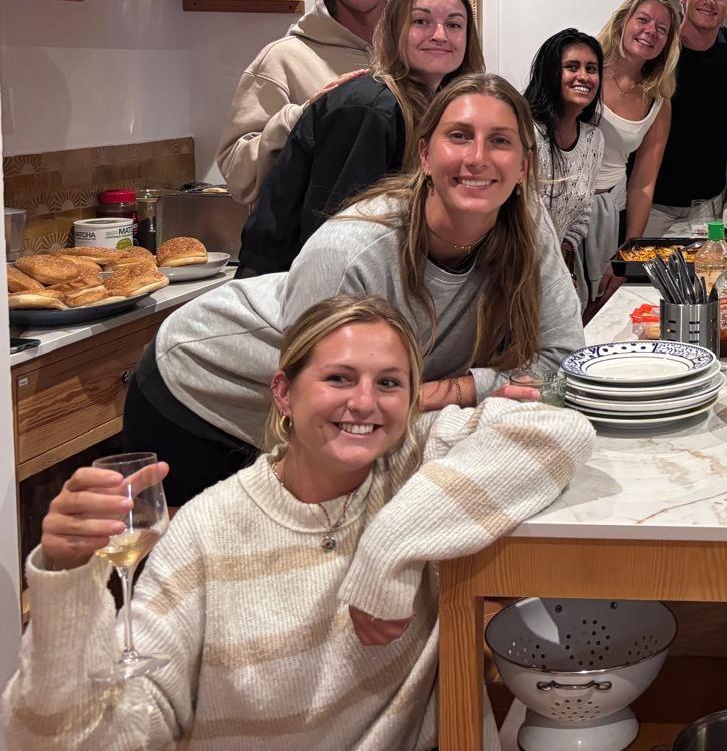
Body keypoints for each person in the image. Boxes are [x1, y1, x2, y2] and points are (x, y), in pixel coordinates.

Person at [4, 294, 594, 750]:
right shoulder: (210, 530)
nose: (364, 402)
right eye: (339, 379)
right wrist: (65, 580)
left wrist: (386, 551)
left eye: (389, 383)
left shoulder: (415, 466)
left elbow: (559, 431)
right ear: (284, 394)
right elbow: (78, 738)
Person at [123, 74, 586, 505]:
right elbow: (328, 405)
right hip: (201, 389)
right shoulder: (353, 251)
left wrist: (460, 388)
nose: (478, 158)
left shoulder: (527, 227)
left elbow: (564, 365)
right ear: (425, 155)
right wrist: (456, 393)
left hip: (327, 416)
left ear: (525, 166)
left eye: (499, 141)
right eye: (460, 135)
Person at [237, 0, 483, 276]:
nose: (439, 34)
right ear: (395, 28)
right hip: (303, 294)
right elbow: (340, 241)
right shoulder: (369, 107)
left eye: (454, 25)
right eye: (421, 21)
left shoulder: (435, 106)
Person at [217, 0, 400, 205]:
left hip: (402, 244)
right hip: (315, 248)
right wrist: (303, 117)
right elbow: (238, 175)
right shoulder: (283, 60)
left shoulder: (414, 56)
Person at [579, 0, 678, 300]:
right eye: (643, 20)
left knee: (598, 306)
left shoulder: (657, 100)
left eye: (662, 29)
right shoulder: (586, 70)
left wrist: (628, 252)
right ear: (623, 22)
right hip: (560, 207)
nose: (651, 31)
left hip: (611, 214)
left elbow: (643, 184)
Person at [648, 0, 727, 234]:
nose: (709, 1)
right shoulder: (658, 48)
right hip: (650, 203)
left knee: (707, 275)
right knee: (643, 278)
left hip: (709, 206)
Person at [524, 28, 606, 273]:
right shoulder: (523, 130)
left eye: (592, 69)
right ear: (550, 72)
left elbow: (583, 212)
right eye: (572, 67)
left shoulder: (594, 139)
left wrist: (562, 262)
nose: (584, 76)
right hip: (512, 271)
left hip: (555, 271)